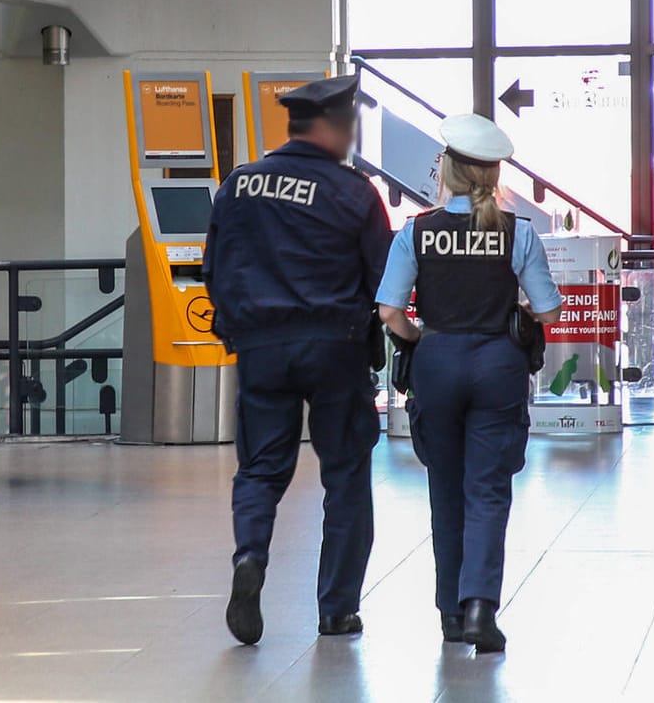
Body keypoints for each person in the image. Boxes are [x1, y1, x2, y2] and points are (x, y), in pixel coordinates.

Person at [202, 73, 393, 646]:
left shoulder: (237, 185)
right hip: (334, 348)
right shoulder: (355, 192)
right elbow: (383, 279)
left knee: (260, 469)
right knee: (346, 473)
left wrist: (242, 327)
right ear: (333, 128)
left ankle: (250, 556)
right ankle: (336, 609)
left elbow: (213, 269)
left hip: (261, 347)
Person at [374, 113, 560, 654]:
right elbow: (548, 310)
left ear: (447, 172)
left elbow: (389, 311)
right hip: (498, 364)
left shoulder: (417, 231)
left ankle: (451, 613)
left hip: (437, 360)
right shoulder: (517, 232)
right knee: (487, 489)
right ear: (492, 176)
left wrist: (420, 338)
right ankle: (481, 605)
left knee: (445, 489)